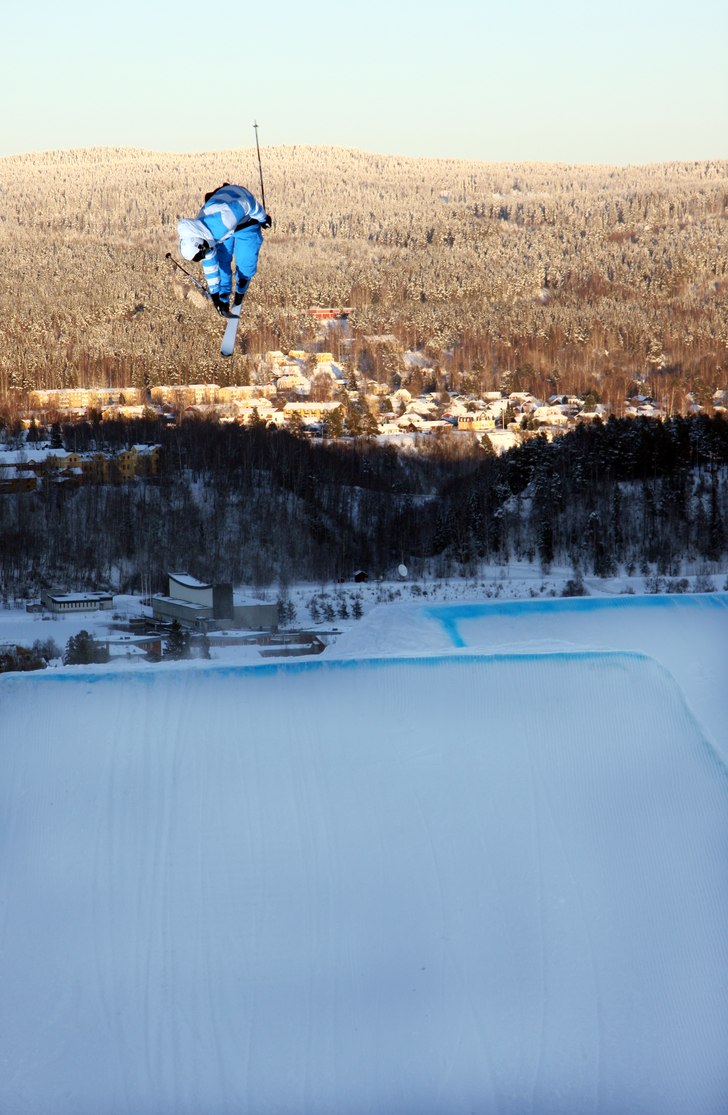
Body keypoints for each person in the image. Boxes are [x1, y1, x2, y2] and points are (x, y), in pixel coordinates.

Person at [177, 184, 271, 316]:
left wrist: (263, 218)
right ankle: (224, 297)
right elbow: (210, 264)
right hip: (222, 232)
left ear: (200, 244)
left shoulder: (224, 220)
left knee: (246, 262)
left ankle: (240, 290)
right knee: (222, 263)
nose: (206, 254)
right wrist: (216, 298)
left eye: (203, 253)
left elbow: (247, 203)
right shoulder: (201, 237)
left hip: (245, 220)